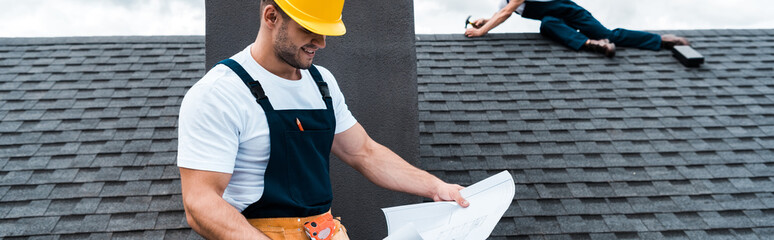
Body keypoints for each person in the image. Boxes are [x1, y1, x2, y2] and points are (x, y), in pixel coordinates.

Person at [176, 0, 469, 239]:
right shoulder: (219, 93)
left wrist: (436, 188)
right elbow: (200, 204)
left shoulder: (321, 82)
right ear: (271, 16)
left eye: (325, 30)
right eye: (310, 29)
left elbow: (364, 152)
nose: (322, 42)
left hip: (324, 231)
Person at [465, 0, 690, 57]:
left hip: (573, 13)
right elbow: (500, 14)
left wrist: (480, 33)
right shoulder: (503, 4)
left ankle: (661, 41)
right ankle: (592, 45)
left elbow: (505, 13)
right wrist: (482, 23)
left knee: (611, 35)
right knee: (548, 24)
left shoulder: (510, 3)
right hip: (556, 20)